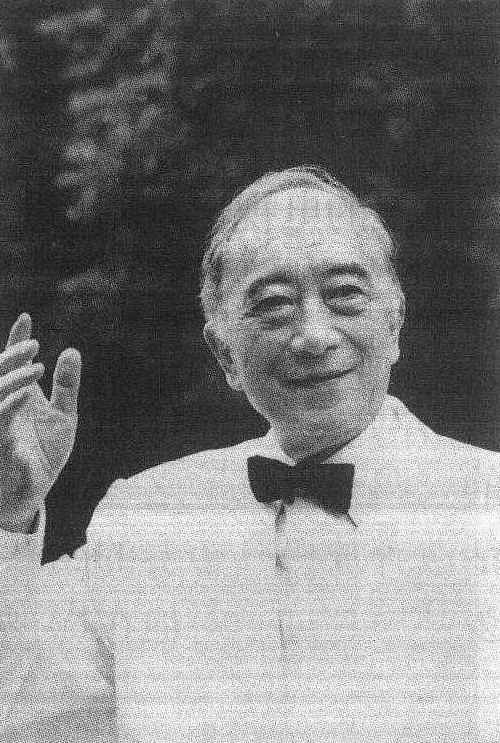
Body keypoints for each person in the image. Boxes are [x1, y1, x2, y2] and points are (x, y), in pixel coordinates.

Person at [1, 166, 499, 743]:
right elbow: (24, 706)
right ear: (224, 353)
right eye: (274, 304)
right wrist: (10, 510)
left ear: (394, 320)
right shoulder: (152, 516)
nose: (315, 335)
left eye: (344, 294)